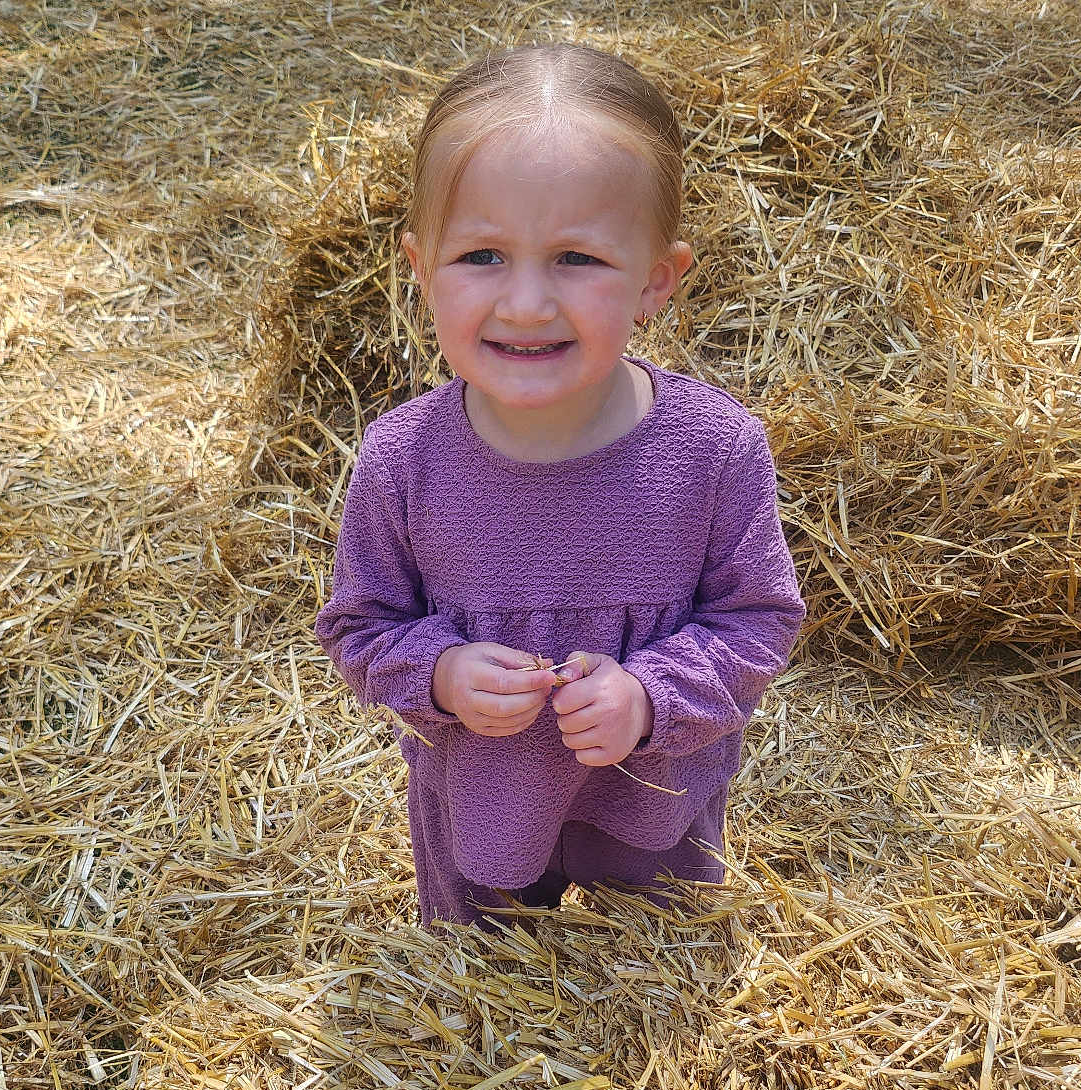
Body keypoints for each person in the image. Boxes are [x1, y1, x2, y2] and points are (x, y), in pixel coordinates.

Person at [316, 43, 805, 928]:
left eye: (576, 257)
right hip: (481, 819)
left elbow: (758, 621)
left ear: (657, 279)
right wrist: (443, 673)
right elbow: (359, 626)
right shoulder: (402, 460)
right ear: (422, 269)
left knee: (650, 993)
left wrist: (653, 695)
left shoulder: (714, 451)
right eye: (482, 256)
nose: (529, 303)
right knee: (488, 1003)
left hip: (657, 809)